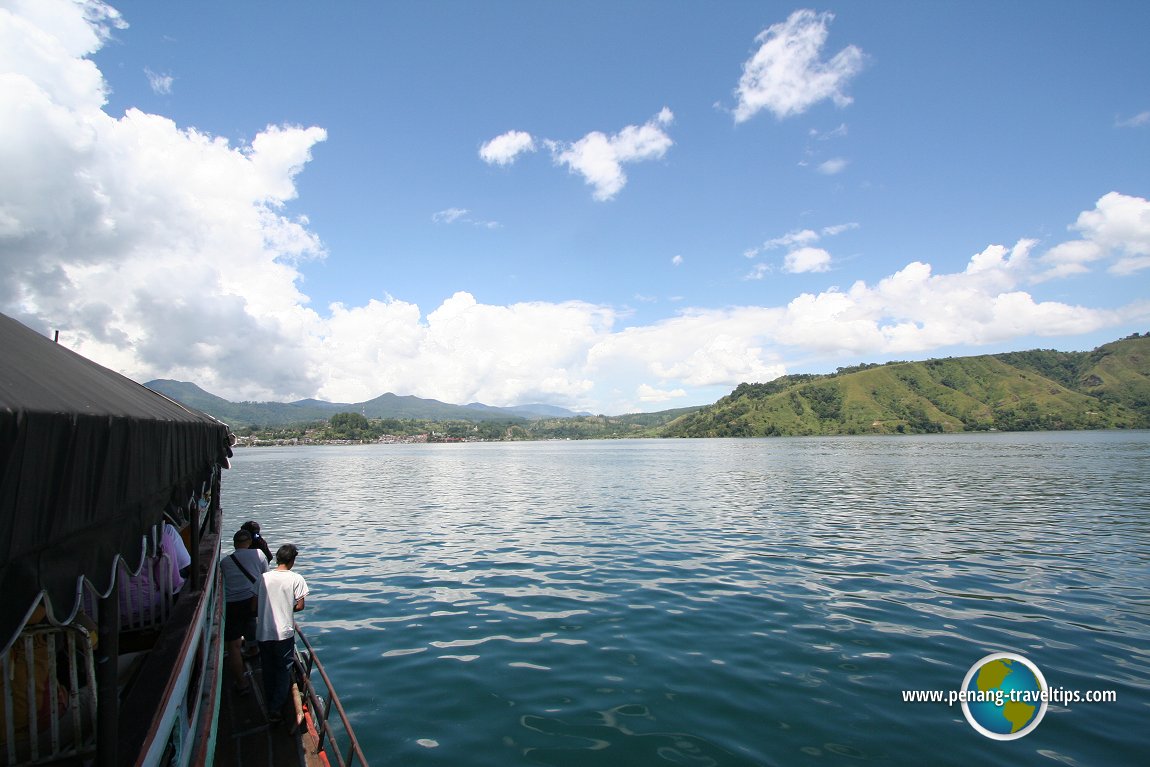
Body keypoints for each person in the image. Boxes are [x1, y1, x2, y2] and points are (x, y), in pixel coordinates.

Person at [256, 543, 309, 725]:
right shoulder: (296, 578)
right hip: (284, 633)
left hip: (263, 631)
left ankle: (270, 702)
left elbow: (252, 604)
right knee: (283, 670)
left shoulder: (263, 578)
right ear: (292, 560)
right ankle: (275, 708)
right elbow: (300, 605)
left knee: (268, 669)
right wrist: (287, 607)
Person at [219, 529, 268, 694]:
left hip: (232, 604)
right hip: (252, 600)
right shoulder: (259, 555)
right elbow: (264, 577)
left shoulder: (225, 562)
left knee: (233, 645)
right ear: (249, 542)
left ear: (234, 544)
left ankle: (241, 683)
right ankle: (253, 648)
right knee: (251, 621)